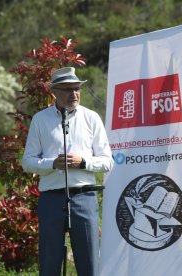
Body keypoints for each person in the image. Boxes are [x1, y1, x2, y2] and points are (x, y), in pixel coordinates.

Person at [22, 67, 113, 276]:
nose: (75, 94)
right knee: (49, 264)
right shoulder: (40, 119)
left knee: (89, 264)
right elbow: (27, 162)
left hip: (84, 197)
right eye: (68, 89)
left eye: (77, 88)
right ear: (54, 92)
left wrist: (83, 162)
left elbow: (108, 161)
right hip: (51, 200)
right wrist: (52, 164)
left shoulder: (91, 118)